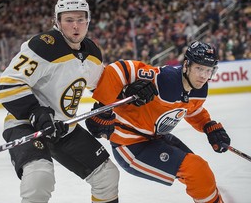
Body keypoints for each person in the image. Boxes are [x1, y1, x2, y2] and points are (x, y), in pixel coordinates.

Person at [0, 0, 120, 203]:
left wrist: (128, 88)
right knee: (39, 179)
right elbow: (9, 85)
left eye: (81, 19)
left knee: (107, 176)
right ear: (57, 21)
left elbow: (100, 84)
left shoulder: (92, 52)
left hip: (63, 128)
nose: (75, 26)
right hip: (25, 124)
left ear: (88, 20)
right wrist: (37, 113)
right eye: (69, 20)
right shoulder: (43, 46)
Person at [86, 41, 231, 203]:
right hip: (130, 147)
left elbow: (192, 109)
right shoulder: (165, 79)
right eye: (199, 68)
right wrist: (104, 107)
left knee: (200, 172)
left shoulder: (200, 89)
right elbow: (119, 70)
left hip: (155, 139)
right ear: (186, 65)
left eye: (208, 70)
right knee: (196, 170)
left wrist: (208, 126)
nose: (204, 76)